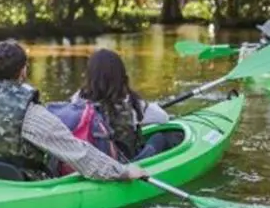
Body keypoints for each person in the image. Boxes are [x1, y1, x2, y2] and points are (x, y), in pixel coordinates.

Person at [0, 40, 148, 183]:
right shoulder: (31, 114)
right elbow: (78, 153)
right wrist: (123, 172)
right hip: (19, 184)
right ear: (23, 71)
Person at [54, 49, 183, 164]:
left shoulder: (77, 100)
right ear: (121, 76)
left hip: (90, 164)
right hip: (127, 165)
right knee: (160, 137)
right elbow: (163, 118)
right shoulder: (130, 103)